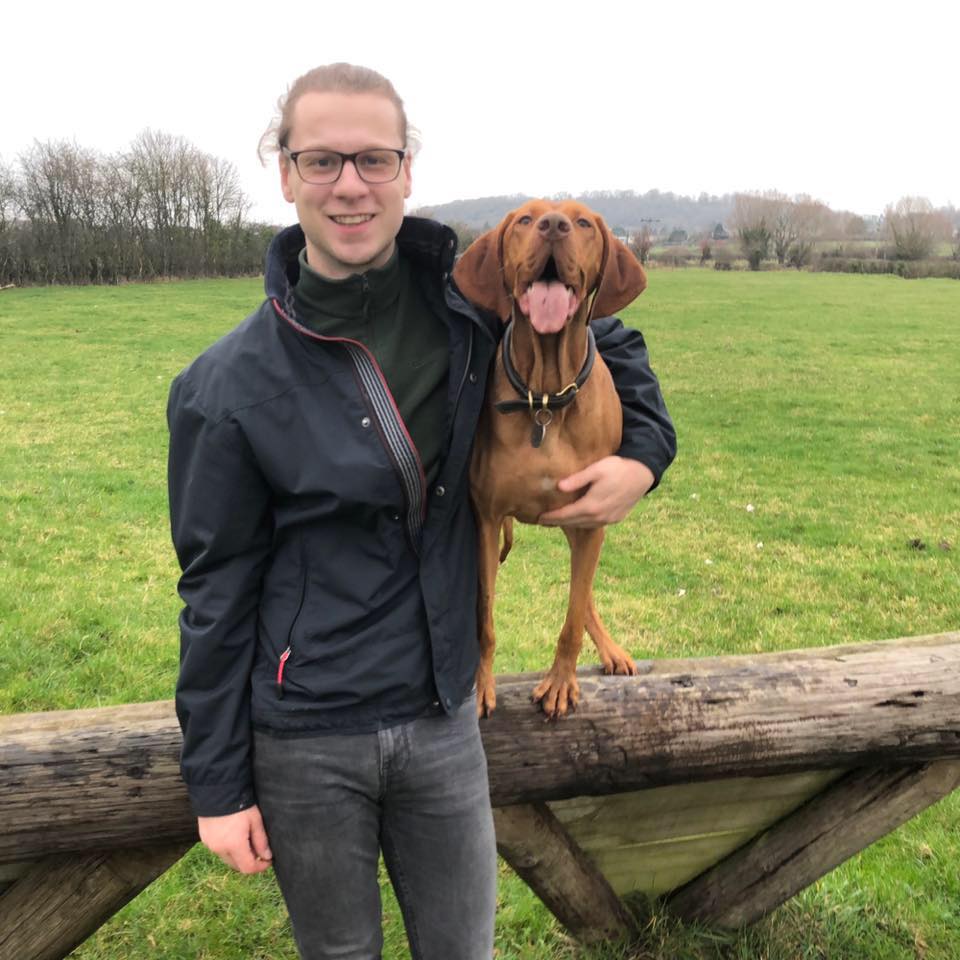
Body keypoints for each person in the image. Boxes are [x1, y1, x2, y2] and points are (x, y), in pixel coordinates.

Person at [167, 63, 676, 960]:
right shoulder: (224, 387)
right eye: (321, 160)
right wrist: (215, 783)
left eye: (374, 158)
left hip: (445, 717)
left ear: (409, 171)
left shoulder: (465, 305)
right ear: (285, 173)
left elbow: (601, 334)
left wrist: (644, 456)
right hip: (307, 734)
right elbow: (214, 591)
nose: (350, 184)